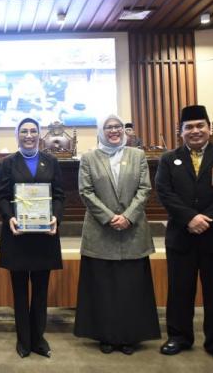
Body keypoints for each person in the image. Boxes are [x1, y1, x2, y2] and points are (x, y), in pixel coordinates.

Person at [156, 105, 213, 366]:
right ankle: (179, 336)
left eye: (200, 126)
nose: (195, 131)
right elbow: (164, 191)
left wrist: (206, 218)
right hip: (181, 236)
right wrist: (189, 218)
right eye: (189, 127)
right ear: (180, 132)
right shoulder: (169, 159)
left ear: (209, 128)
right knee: (180, 290)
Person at [74, 114, 160, 355]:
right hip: (101, 232)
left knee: (131, 287)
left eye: (118, 127)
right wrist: (110, 217)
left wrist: (128, 217)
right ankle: (106, 336)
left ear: (125, 130)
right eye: (108, 127)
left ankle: (130, 336)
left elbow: (145, 189)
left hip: (133, 232)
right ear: (101, 131)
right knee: (103, 287)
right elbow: (86, 192)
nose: (114, 131)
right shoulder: (89, 158)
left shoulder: (138, 155)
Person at [0, 117, 65, 358]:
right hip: (18, 235)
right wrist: (9, 218)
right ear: (17, 135)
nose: (28, 135)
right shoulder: (7, 163)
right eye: (23, 131)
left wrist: (56, 216)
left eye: (33, 131)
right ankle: (23, 339)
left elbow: (59, 195)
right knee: (19, 290)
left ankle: (39, 338)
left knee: (40, 289)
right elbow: (1, 196)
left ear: (40, 135)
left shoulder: (51, 162)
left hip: (44, 236)